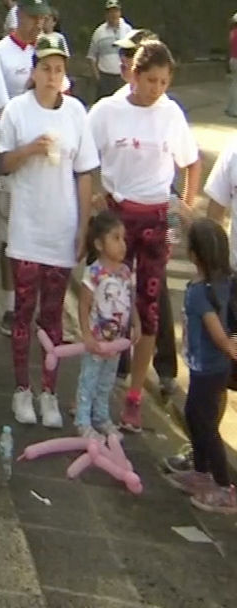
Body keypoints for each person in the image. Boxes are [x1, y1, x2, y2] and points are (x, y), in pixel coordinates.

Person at [86, 39, 201, 432]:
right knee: (108, 303)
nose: (157, 89)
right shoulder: (107, 111)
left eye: (164, 82)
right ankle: (97, 390)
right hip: (118, 216)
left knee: (149, 307)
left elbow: (191, 163)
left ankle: (135, 395)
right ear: (132, 75)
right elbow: (84, 156)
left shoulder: (171, 114)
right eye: (150, 80)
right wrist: (95, 195)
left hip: (157, 218)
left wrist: (185, 204)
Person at [0, 32, 97, 428]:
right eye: (45, 68)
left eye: (58, 69)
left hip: (62, 226)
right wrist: (30, 150)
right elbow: (3, 163)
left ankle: (49, 390)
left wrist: (84, 227)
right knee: (23, 310)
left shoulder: (75, 113)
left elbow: (85, 173)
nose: (52, 75)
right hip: (26, 227)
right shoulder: (17, 111)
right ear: (34, 71)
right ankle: (22, 388)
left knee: (53, 315)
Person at [166, 218, 237, 514]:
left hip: (209, 368)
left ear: (195, 254)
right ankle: (201, 472)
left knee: (205, 424)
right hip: (204, 367)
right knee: (194, 417)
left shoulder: (200, 292)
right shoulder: (223, 284)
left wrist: (230, 348)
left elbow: (216, 331)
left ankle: (224, 487)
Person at [0, 0, 52, 335]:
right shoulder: (0, 54)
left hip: (45, 158)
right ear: (19, 16)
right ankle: (9, 304)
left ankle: (40, 304)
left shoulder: (49, 51)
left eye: (41, 17)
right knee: (9, 233)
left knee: (42, 231)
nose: (36, 24)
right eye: (31, 17)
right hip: (13, 154)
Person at [75, 212, 134, 437]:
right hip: (97, 340)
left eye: (123, 239)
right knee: (89, 379)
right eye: (116, 238)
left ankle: (101, 417)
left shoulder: (126, 272)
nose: (123, 245)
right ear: (99, 244)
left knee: (107, 381)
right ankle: (83, 420)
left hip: (116, 341)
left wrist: (135, 325)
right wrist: (87, 334)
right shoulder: (94, 273)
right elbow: (83, 305)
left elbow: (131, 299)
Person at [88, 0, 133, 101]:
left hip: (123, 78)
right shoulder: (99, 32)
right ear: (106, 14)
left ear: (120, 13)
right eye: (110, 12)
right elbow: (92, 57)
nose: (113, 14)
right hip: (106, 78)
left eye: (115, 11)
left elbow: (134, 54)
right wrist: (98, 77)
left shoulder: (128, 30)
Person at [226, 13, 237, 118]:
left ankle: (231, 108)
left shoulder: (232, 33)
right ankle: (234, 110)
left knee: (234, 85)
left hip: (233, 59)